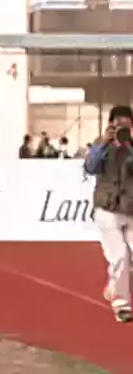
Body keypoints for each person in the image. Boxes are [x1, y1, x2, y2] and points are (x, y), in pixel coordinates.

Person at [84, 105, 133, 323]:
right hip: (107, 208)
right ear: (110, 124)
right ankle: (121, 304)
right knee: (120, 255)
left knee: (126, 258)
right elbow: (90, 167)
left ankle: (114, 286)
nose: (122, 128)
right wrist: (105, 142)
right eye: (118, 124)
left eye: (126, 125)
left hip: (130, 209)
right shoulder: (101, 144)